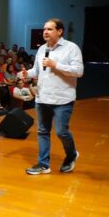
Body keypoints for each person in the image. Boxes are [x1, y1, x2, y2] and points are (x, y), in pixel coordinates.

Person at [20, 18, 83, 175]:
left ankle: (71, 155)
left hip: (63, 98)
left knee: (61, 132)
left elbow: (78, 71)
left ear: (60, 31)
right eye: (44, 29)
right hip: (42, 98)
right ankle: (43, 164)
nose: (45, 32)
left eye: (49, 29)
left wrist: (56, 65)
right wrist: (27, 73)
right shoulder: (42, 49)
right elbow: (37, 70)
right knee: (42, 132)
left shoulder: (71, 48)